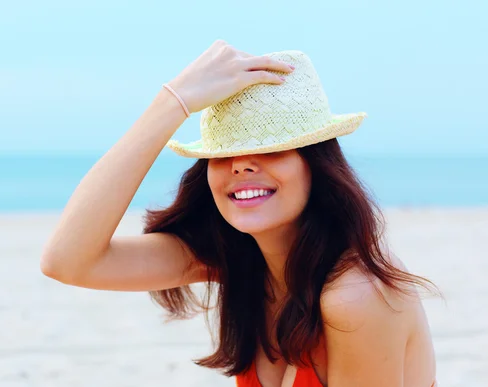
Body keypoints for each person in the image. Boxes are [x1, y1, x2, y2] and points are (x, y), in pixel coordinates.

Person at [40, 40, 439, 387]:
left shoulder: (357, 297)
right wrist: (171, 102)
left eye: (271, 148)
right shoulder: (241, 260)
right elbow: (68, 261)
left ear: (315, 165)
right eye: (223, 153)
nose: (241, 165)